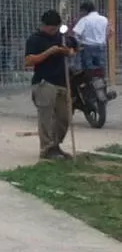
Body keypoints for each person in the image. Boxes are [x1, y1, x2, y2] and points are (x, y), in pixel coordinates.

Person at [25, 10, 78, 161]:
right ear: (44, 26)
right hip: (44, 83)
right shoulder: (35, 39)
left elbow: (75, 47)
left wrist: (70, 51)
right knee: (46, 118)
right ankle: (47, 148)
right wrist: (49, 52)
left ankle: (56, 145)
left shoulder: (62, 38)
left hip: (63, 82)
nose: (53, 31)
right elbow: (29, 61)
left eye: (56, 28)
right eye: (51, 28)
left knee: (64, 117)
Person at [72, 0, 111, 75]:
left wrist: (79, 44)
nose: (81, 13)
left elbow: (76, 34)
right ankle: (101, 85)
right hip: (101, 47)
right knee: (100, 70)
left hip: (87, 48)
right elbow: (108, 32)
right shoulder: (104, 19)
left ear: (85, 10)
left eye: (82, 11)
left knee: (88, 70)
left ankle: (90, 85)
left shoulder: (85, 20)